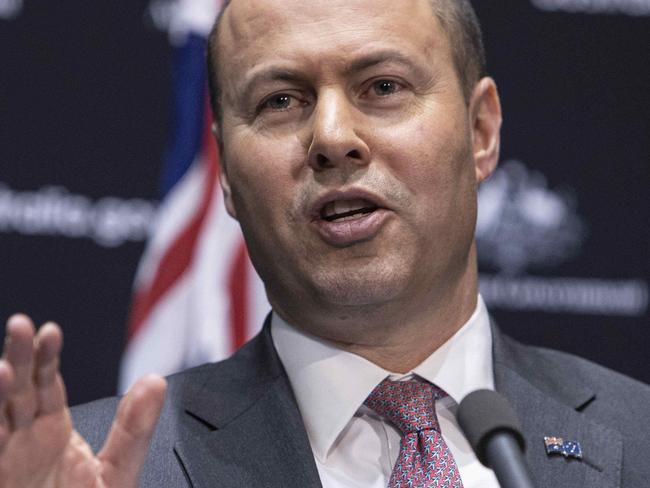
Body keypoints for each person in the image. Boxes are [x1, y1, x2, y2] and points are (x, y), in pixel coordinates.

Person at [1, 0, 649, 486]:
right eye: (281, 100)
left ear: (481, 131)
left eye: (384, 87)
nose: (333, 136)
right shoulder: (103, 468)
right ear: (226, 175)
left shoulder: (637, 437)